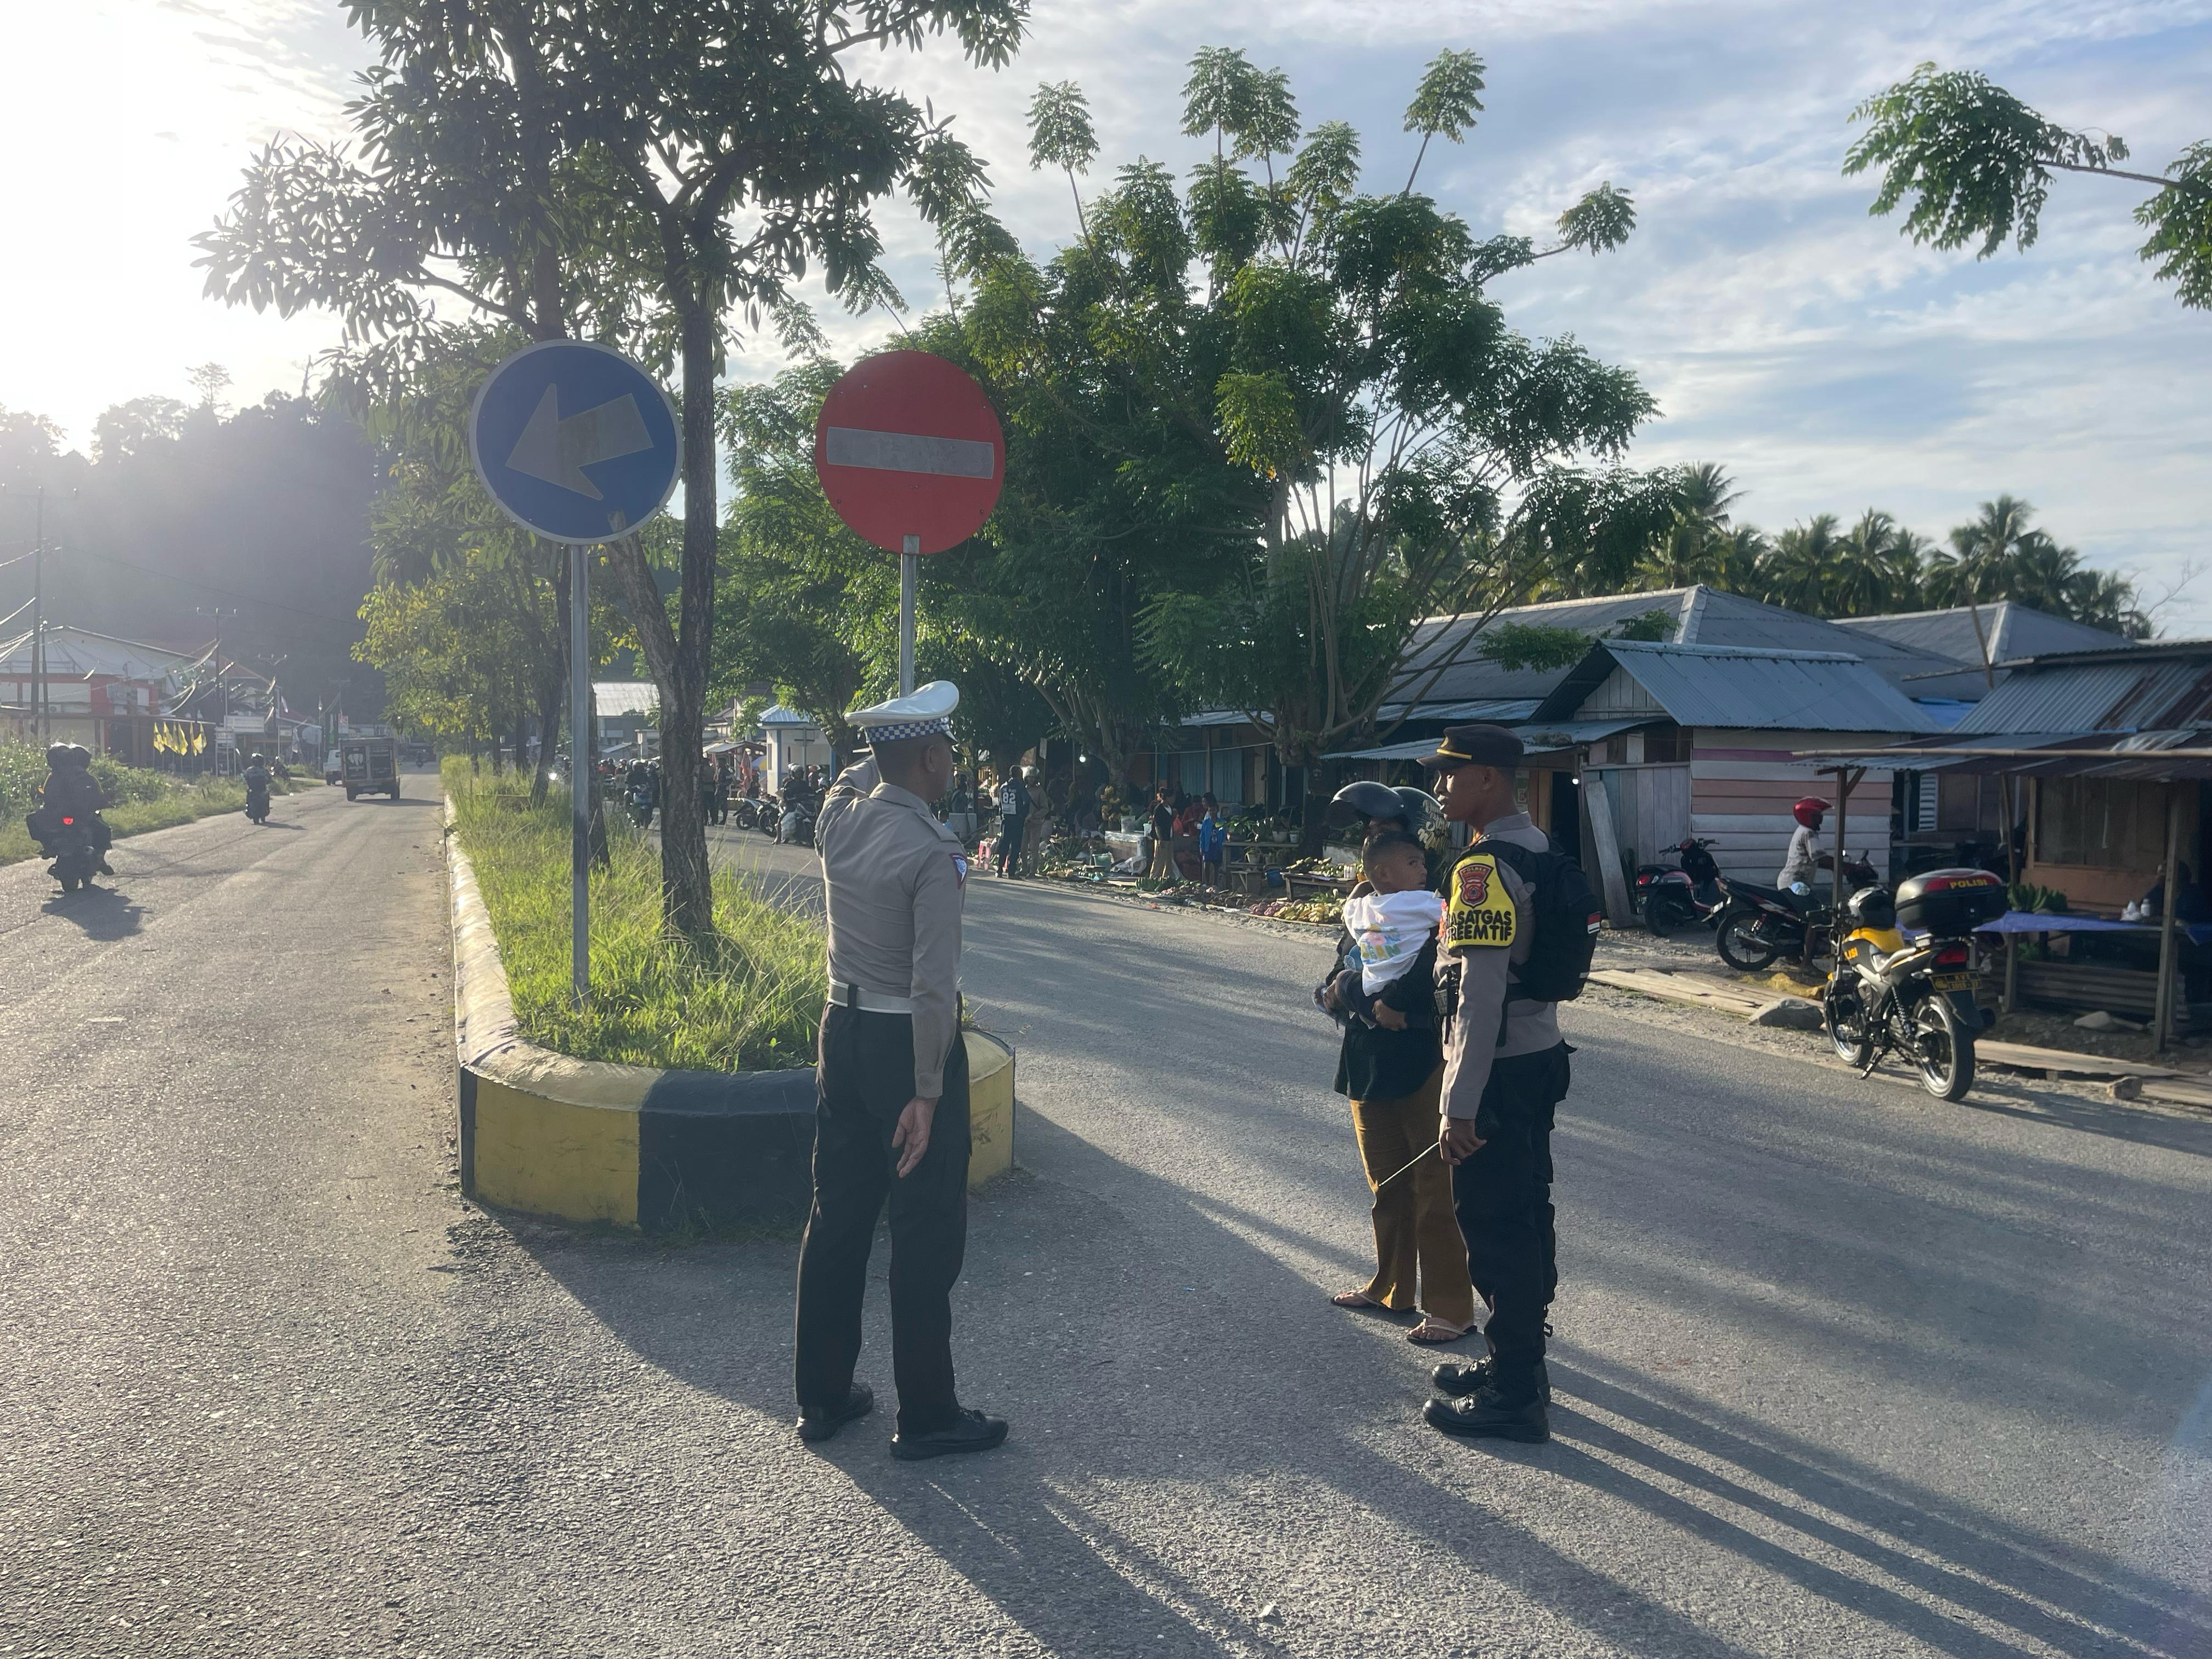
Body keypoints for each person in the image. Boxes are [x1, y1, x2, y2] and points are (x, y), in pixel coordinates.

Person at [793, 681, 1006, 1460]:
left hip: (839, 1031)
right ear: (929, 755)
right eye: (946, 750)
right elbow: (931, 987)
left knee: (838, 1216)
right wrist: (926, 1089)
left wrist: (880, 742)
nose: (953, 764)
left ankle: (823, 1396)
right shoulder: (934, 851)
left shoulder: (837, 821)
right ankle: (927, 1413)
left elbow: (857, 773)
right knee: (922, 1229)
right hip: (900, 1046)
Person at [1417, 724, 1572, 1444]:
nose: (1441, 788)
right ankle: (1521, 1362)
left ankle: (1516, 1396)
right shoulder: (1538, 849)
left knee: (1495, 1227)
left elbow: (1478, 996)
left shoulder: (1480, 870)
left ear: (1490, 779)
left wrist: (1459, 1106)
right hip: (1538, 1056)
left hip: (1497, 1072)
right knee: (1526, 1213)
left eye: (1451, 774)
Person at [1319, 830, 1474, 1345]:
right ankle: (1392, 1288)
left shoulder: (1433, 919)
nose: (1423, 869)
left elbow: (1406, 1000)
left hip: (1422, 1067)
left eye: (1422, 860)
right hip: (1366, 1068)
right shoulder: (1364, 917)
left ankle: (1451, 1309)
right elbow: (1338, 977)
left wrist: (1354, 996)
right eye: (1412, 861)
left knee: (1434, 1190)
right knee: (1386, 1187)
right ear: (1381, 873)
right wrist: (1340, 992)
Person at [1777, 797, 1831, 895]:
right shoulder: (1808, 833)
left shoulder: (1804, 830)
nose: (1821, 818)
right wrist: (1847, 867)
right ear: (1809, 816)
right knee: (1809, 908)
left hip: (1792, 882)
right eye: (1818, 815)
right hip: (1794, 883)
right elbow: (1820, 858)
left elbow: (1818, 861)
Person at [994, 767, 1030, 879]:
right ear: (1020, 775)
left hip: (1006, 820)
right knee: (1015, 846)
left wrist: (1002, 816)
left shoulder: (1003, 787)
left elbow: (1000, 804)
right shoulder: (1020, 787)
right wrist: (1023, 816)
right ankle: (1011, 871)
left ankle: (999, 870)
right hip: (1017, 820)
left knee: (1004, 845)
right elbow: (1027, 801)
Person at [1148, 786, 1177, 882]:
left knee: (1168, 861)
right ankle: (1154, 879)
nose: (1174, 800)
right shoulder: (1159, 809)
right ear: (1167, 798)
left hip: (1169, 837)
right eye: (1172, 798)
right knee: (1159, 860)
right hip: (1162, 838)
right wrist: (1161, 839)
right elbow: (1157, 825)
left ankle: (1165, 879)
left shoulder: (1170, 808)